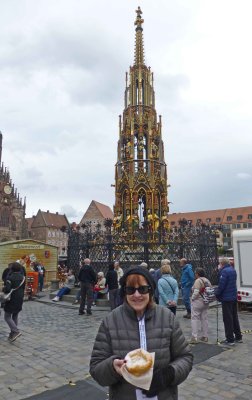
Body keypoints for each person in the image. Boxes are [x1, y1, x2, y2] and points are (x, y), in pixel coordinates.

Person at [90, 267, 193, 399]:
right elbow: (96, 368)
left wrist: (169, 374)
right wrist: (112, 367)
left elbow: (185, 357)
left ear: (150, 291)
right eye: (130, 289)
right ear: (124, 292)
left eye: (143, 289)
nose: (137, 295)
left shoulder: (167, 317)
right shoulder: (111, 321)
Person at [215, 257, 242, 346]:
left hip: (226, 298)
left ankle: (230, 339)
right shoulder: (232, 270)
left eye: (219, 263)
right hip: (233, 297)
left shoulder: (224, 272)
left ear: (222, 263)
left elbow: (222, 285)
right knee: (234, 317)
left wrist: (217, 294)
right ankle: (238, 336)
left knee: (227, 319)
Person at [3, 262, 25, 342]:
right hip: (20, 298)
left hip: (12, 298)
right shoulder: (23, 277)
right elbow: (23, 288)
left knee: (7, 316)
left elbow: (8, 289)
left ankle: (15, 331)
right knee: (15, 315)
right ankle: (12, 334)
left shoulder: (10, 278)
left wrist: (3, 289)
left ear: (11, 269)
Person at [190, 268, 212, 343]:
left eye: (195, 273)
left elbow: (196, 291)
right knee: (204, 319)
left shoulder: (198, 281)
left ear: (197, 274)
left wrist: (192, 298)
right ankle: (205, 336)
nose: (194, 274)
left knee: (194, 318)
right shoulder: (207, 280)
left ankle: (194, 337)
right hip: (206, 301)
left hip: (198, 301)